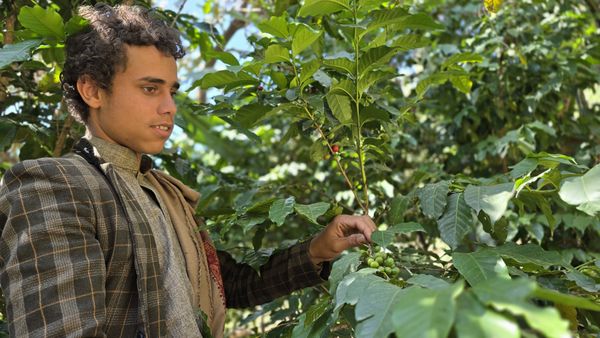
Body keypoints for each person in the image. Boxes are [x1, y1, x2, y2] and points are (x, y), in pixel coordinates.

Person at [0, 3, 377, 338]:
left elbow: (228, 284)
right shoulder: (53, 185)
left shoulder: (166, 193)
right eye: (150, 89)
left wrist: (318, 250)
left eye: (173, 91)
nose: (170, 107)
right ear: (92, 91)